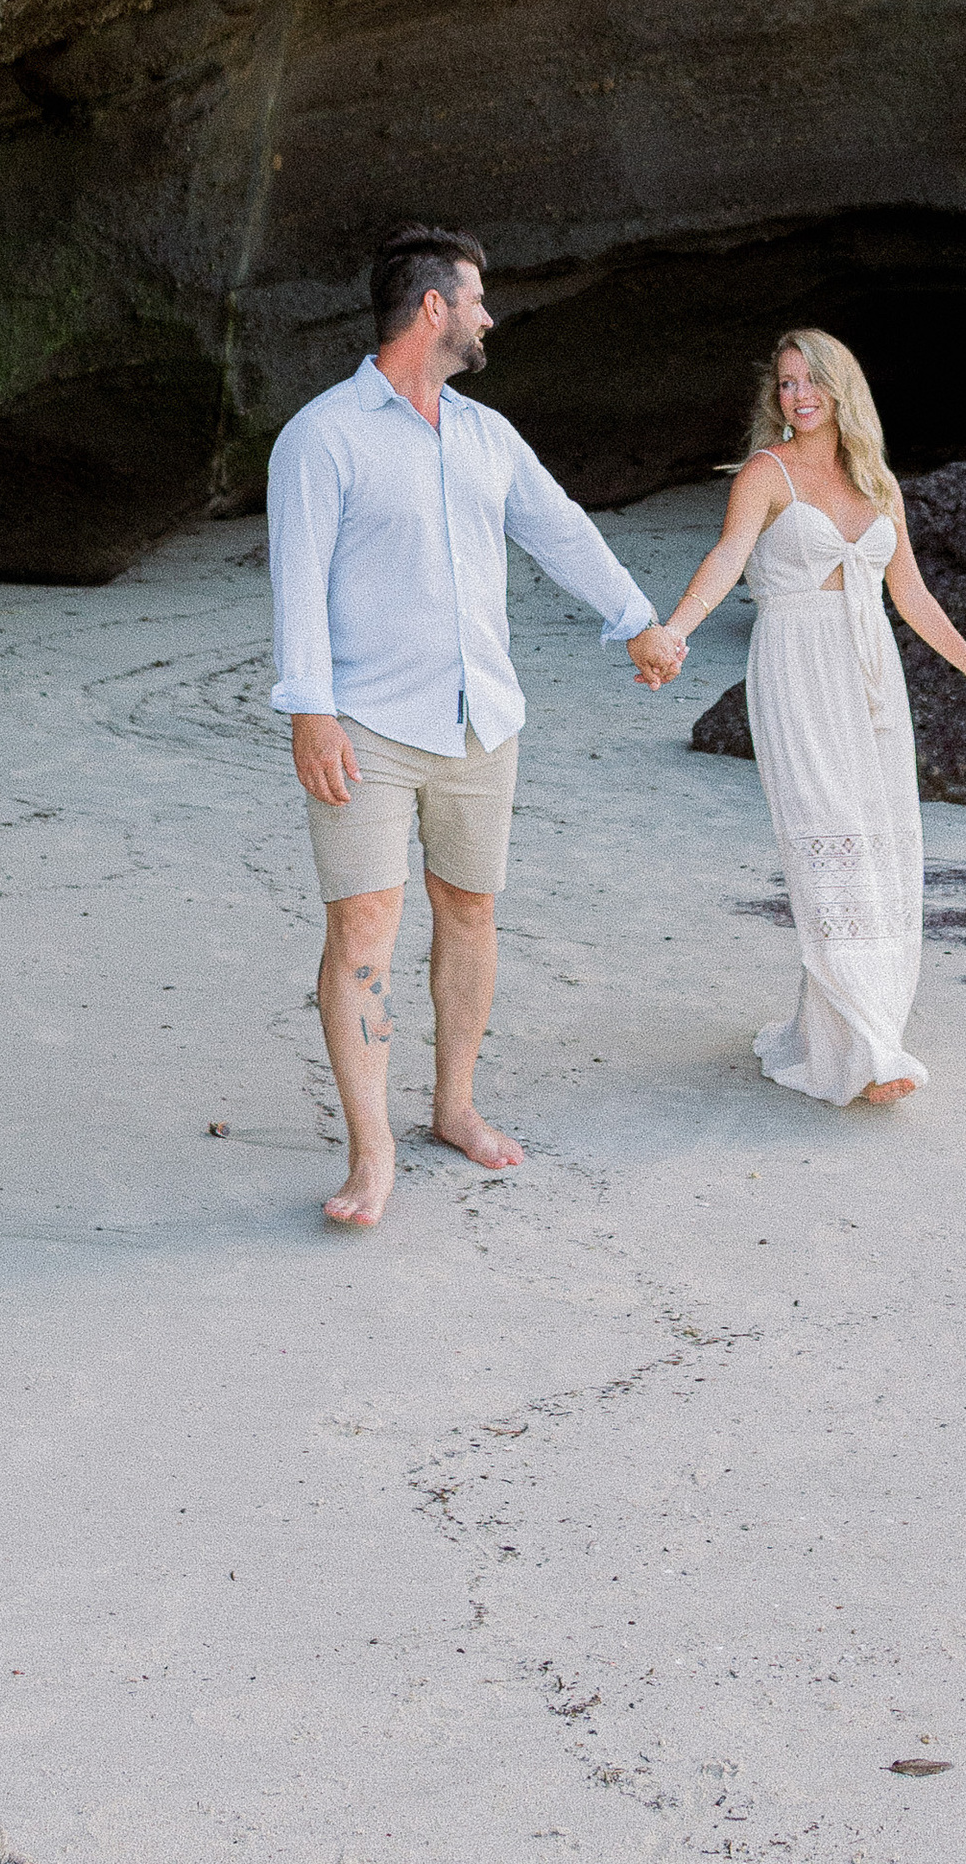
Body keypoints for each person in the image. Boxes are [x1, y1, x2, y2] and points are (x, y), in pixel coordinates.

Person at [268, 225, 684, 1225]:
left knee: (469, 912)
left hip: (480, 723)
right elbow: (298, 585)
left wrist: (638, 621)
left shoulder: (488, 435)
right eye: (478, 299)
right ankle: (372, 1157)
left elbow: (559, 528)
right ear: (432, 309)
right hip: (366, 723)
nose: (490, 317)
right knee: (362, 929)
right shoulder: (322, 436)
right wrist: (310, 712)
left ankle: (453, 1106)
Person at [660, 329, 966, 1108]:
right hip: (796, 669)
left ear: (841, 388)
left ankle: (851, 1034)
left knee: (883, 845)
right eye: (784, 383)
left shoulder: (878, 482)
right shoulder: (765, 472)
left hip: (871, 676)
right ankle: (870, 1045)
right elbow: (726, 557)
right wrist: (675, 631)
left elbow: (910, 594)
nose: (797, 395)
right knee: (827, 847)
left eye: (810, 380)